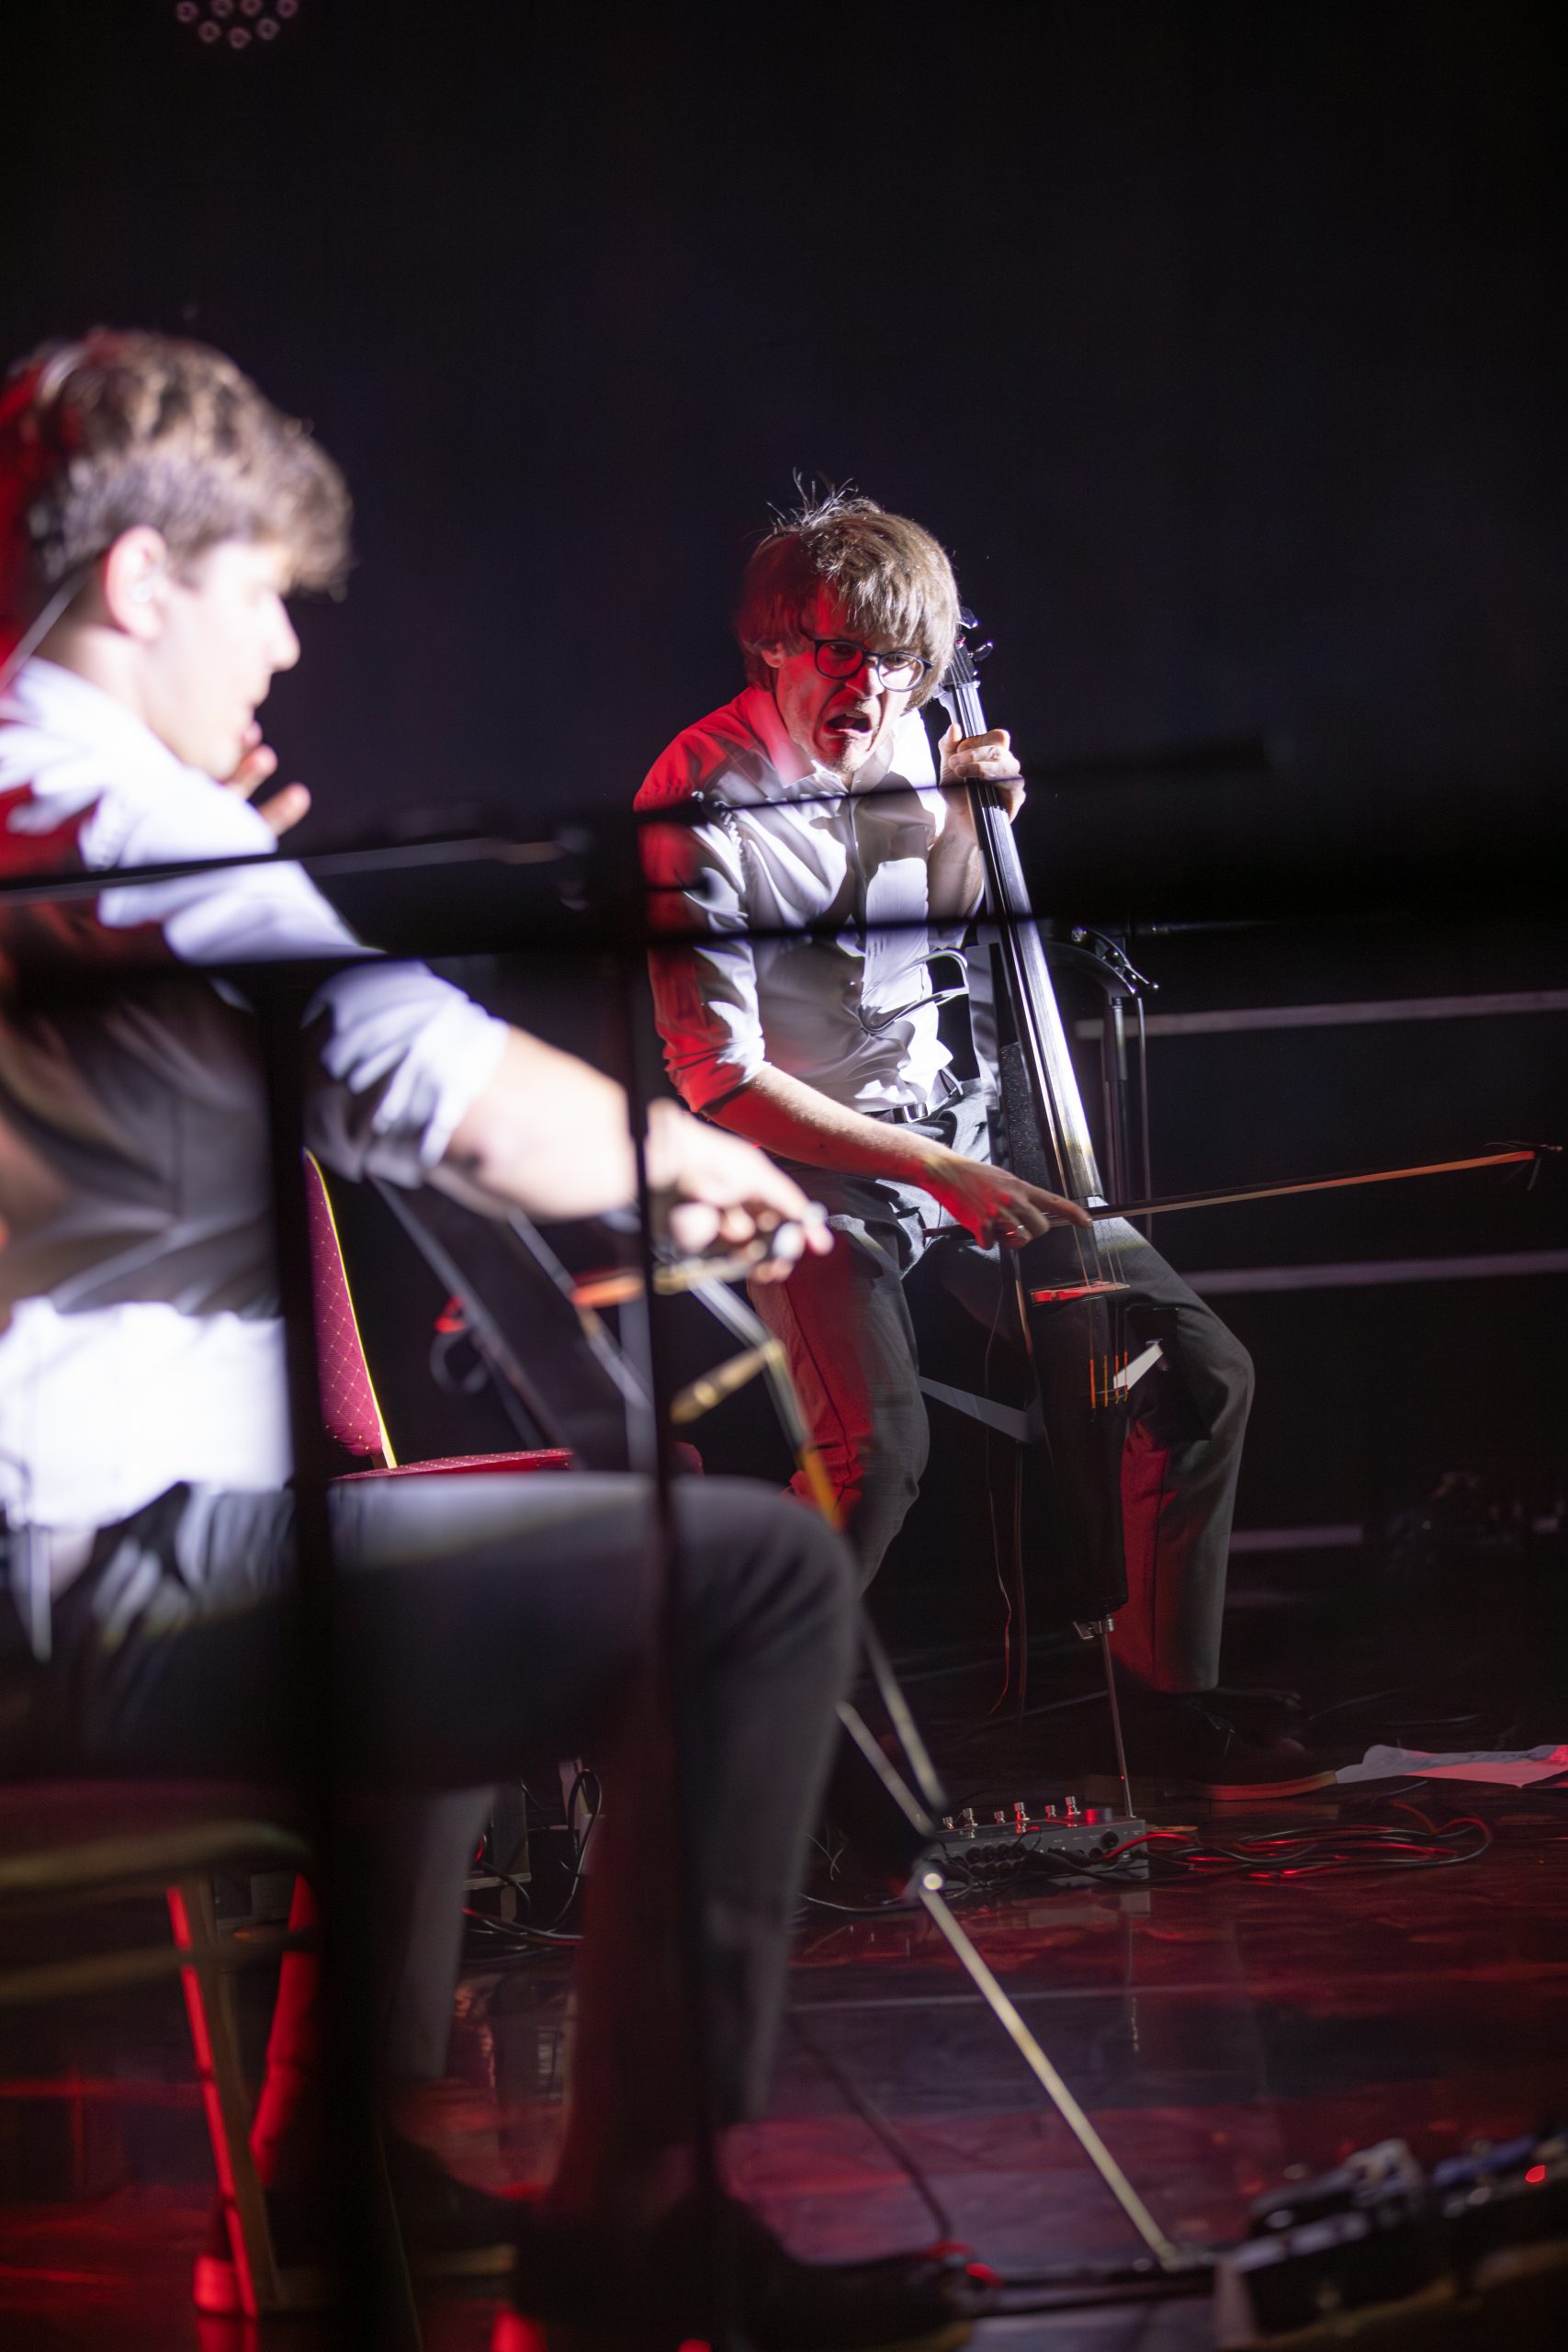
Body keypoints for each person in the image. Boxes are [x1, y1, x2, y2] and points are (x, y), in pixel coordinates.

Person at [0, 336, 982, 2349]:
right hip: (95, 1589)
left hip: (102, 1561)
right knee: (756, 1574)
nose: (286, 642)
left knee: (480, 1553)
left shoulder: (71, 807)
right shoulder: (90, 809)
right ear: (140, 581)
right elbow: (406, 1073)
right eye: (261, 589)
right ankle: (638, 2228)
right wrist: (681, 1158)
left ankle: (320, 2161)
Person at [637, 492, 1328, 1800]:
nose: (873, 688)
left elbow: (941, 927)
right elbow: (718, 1077)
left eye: (902, 662)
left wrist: (971, 823)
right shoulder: (697, 799)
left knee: (1197, 1373)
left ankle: (1163, 1703)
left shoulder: (913, 734)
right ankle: (717, 1738)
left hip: (952, 1137)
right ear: (773, 643)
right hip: (804, 1171)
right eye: (842, 652)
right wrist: (932, 1173)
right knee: (875, 1459)